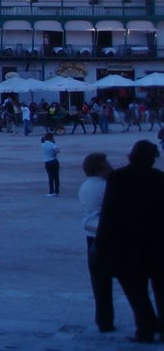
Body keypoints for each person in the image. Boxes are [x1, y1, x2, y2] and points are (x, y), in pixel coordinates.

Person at [97, 140, 164, 343]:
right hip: (157, 244)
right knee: (161, 290)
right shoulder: (159, 178)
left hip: (129, 244)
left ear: (131, 156)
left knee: (136, 290)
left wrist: (100, 244)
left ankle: (146, 328)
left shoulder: (118, 178)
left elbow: (108, 214)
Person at [79, 152, 115, 333]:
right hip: (107, 235)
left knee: (99, 281)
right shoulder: (106, 187)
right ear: (99, 168)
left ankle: (103, 319)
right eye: (106, 164)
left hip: (90, 234)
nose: (110, 167)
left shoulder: (85, 186)